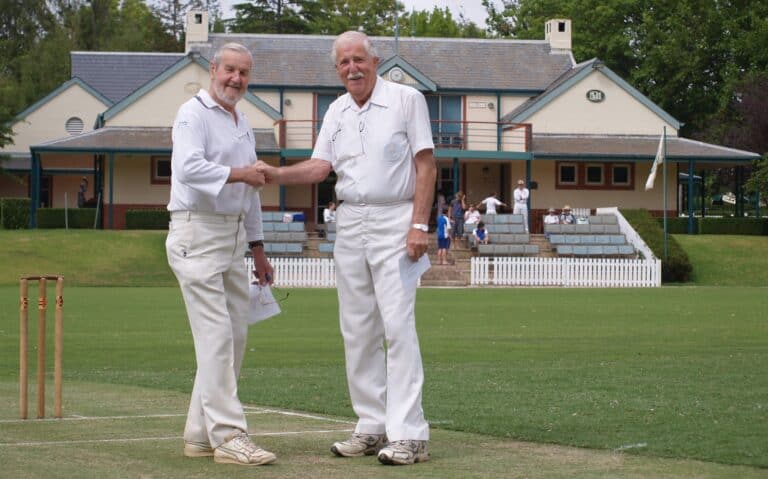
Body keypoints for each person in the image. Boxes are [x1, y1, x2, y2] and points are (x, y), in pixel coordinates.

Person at [256, 31, 434, 466]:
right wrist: (274, 175)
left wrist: (418, 223)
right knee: (357, 328)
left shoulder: (407, 100)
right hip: (350, 220)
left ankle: (410, 433)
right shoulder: (336, 109)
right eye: (343, 63)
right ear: (337, 69)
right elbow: (320, 167)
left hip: (396, 217)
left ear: (374, 60)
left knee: (397, 326)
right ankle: (371, 426)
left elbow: (425, 164)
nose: (352, 68)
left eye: (358, 59)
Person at [165, 43, 277, 467]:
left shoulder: (242, 120)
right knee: (215, 339)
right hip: (196, 231)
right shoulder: (191, 113)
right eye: (230, 70)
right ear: (214, 69)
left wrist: (259, 249)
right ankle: (229, 436)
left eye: (244, 73)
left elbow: (250, 193)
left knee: (233, 338)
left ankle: (199, 434)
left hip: (231, 239)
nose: (236, 79)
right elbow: (188, 168)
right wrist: (241, 173)